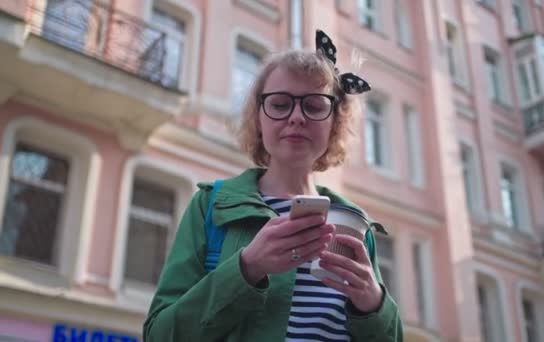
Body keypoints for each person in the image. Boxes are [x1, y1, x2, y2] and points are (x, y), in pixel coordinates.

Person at [143, 30, 403, 342]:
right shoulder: (211, 206)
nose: (296, 117)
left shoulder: (356, 225)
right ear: (258, 118)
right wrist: (247, 268)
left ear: (335, 121)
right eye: (280, 104)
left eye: (315, 105)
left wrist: (373, 304)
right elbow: (159, 335)